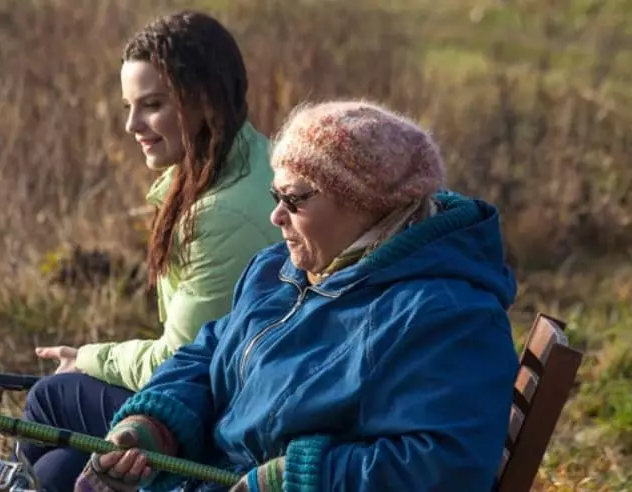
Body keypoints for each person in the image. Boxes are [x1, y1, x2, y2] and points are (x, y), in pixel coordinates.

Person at [74, 99, 520, 492]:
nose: (276, 216)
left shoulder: (448, 316)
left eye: (295, 199)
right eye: (275, 195)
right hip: (204, 475)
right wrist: (155, 424)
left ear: (368, 205)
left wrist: (295, 479)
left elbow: (445, 467)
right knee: (61, 461)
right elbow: (210, 354)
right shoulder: (281, 269)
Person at [18, 11, 282, 492]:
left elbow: (181, 360)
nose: (131, 124)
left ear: (205, 99)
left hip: (225, 416)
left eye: (152, 105)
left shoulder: (223, 215)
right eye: (127, 106)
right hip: (227, 395)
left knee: (50, 397)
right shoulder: (254, 156)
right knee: (59, 470)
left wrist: (89, 358)